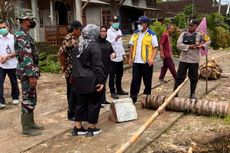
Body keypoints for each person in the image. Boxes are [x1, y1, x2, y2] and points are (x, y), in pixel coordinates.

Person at [71, 24, 106, 137]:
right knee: (94, 103)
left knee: (80, 103)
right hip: (91, 80)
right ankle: (91, 128)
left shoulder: (77, 46)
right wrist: (101, 81)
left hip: (77, 80)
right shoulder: (94, 46)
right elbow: (97, 65)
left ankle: (78, 128)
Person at [15, 9, 44, 136]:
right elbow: (27, 57)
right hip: (27, 74)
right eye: (31, 20)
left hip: (28, 73)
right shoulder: (22, 36)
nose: (32, 22)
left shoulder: (25, 35)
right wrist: (32, 75)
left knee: (32, 98)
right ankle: (26, 128)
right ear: (26, 21)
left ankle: (31, 123)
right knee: (27, 99)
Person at [173, 19, 209, 99]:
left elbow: (208, 41)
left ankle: (192, 94)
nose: (189, 26)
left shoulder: (200, 34)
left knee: (194, 78)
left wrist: (202, 46)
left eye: (192, 25)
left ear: (196, 26)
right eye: (189, 25)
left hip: (194, 60)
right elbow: (178, 45)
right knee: (179, 77)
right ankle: (175, 93)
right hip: (183, 59)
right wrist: (189, 46)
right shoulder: (183, 34)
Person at [129, 16, 158, 103]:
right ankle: (133, 98)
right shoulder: (135, 33)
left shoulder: (151, 34)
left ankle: (146, 97)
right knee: (135, 81)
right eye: (138, 23)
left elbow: (155, 48)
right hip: (136, 62)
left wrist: (152, 59)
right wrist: (130, 58)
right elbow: (131, 46)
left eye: (140, 23)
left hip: (146, 62)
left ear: (145, 24)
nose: (139, 25)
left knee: (147, 81)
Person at [58, 20, 82, 121]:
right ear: (75, 29)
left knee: (76, 91)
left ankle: (75, 111)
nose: (81, 31)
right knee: (72, 92)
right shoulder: (69, 38)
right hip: (71, 70)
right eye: (80, 29)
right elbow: (61, 53)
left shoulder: (76, 38)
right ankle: (71, 113)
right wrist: (64, 66)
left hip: (76, 69)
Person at [107, 15, 128, 99]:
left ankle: (119, 89)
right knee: (112, 75)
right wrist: (115, 39)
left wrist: (123, 54)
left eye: (117, 21)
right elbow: (108, 45)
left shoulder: (119, 31)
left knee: (120, 74)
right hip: (113, 57)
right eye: (114, 21)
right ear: (110, 22)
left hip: (119, 57)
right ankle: (112, 91)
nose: (116, 23)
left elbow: (120, 44)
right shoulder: (108, 32)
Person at [0, 20, 19, 109]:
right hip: (1, 65)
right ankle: (1, 101)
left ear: (8, 28)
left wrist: (7, 57)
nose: (2, 29)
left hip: (12, 64)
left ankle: (15, 97)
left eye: (4, 27)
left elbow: (17, 51)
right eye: (0, 28)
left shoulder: (13, 38)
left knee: (14, 82)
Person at [97, 26, 116, 106]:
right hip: (98, 68)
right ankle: (98, 102)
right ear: (99, 32)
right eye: (102, 31)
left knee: (104, 84)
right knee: (98, 85)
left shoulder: (108, 43)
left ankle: (103, 100)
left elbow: (113, 52)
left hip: (107, 67)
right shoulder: (95, 43)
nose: (103, 33)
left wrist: (114, 54)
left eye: (105, 31)